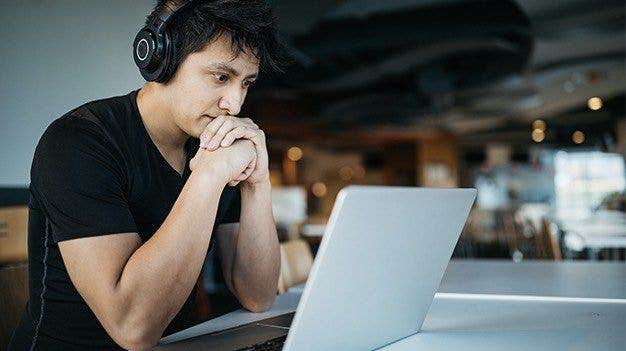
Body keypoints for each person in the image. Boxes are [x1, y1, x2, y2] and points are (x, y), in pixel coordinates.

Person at [9, 1, 286, 350]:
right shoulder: (78, 143)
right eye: (221, 77)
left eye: (246, 83)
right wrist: (208, 177)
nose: (234, 104)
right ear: (161, 60)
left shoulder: (212, 144)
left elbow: (258, 295)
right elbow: (132, 327)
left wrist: (257, 183)